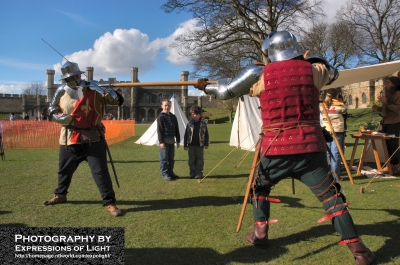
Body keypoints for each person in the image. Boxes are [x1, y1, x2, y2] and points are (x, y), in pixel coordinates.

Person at [194, 31, 375, 264]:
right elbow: (333, 73)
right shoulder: (313, 70)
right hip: (310, 147)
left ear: (268, 52)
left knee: (259, 188)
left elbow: (225, 91)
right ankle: (360, 253)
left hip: (275, 149)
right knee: (332, 199)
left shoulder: (259, 73)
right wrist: (312, 58)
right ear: (295, 48)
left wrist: (206, 86)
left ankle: (260, 234)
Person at [43, 61, 124, 217]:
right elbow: (51, 109)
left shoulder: (93, 89)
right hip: (69, 137)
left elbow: (117, 101)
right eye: (69, 77)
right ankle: (60, 195)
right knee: (64, 170)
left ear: (79, 75)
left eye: (75, 76)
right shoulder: (62, 90)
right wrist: (60, 117)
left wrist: (104, 89)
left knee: (100, 172)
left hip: (93, 137)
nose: (73, 78)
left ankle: (110, 203)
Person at [372, 76, 400, 174]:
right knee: (386, 145)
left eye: (388, 82)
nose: (385, 84)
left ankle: (395, 166)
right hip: (386, 122)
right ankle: (389, 166)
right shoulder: (388, 94)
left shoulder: (398, 94)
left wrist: (386, 102)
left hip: (395, 123)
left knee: (393, 145)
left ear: (394, 84)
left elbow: (397, 109)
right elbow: (387, 109)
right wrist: (378, 108)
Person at [320, 88, 347, 180]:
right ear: (337, 96)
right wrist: (339, 100)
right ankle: (335, 176)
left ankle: (328, 175)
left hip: (326, 130)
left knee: (327, 153)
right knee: (335, 153)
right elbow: (344, 111)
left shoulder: (323, 105)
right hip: (337, 130)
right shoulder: (340, 105)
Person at [157, 99, 180, 181]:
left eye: (169, 105)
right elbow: (160, 130)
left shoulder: (173, 117)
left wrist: (178, 140)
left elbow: (176, 129)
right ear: (162, 106)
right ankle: (165, 174)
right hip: (164, 141)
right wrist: (161, 142)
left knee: (171, 159)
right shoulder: (161, 117)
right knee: (164, 159)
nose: (167, 107)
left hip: (171, 141)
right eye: (165, 105)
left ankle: (171, 173)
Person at [184, 105, 209, 179]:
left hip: (200, 145)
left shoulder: (203, 123)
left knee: (199, 160)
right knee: (191, 160)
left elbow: (206, 134)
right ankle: (192, 172)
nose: (195, 116)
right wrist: (185, 144)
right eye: (193, 114)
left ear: (200, 115)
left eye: (197, 114)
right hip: (191, 145)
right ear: (191, 114)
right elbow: (186, 134)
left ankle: (199, 173)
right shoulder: (189, 124)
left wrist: (206, 143)